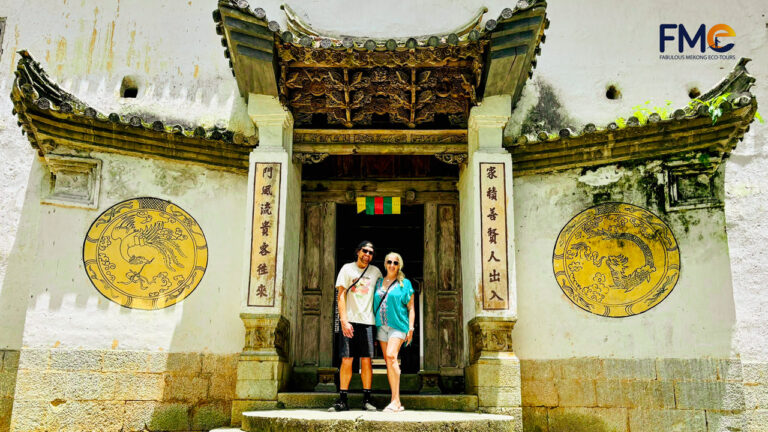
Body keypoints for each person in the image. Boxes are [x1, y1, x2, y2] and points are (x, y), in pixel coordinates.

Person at [329, 240, 383, 412]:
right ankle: (343, 399)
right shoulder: (347, 269)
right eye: (365, 251)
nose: (367, 255)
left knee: (366, 361)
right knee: (347, 359)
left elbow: (382, 295)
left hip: (368, 321)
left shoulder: (376, 272)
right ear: (358, 251)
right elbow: (341, 296)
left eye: (371, 253)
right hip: (350, 320)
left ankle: (367, 399)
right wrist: (344, 321)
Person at [373, 252, 415, 412]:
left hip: (398, 326)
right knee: (389, 362)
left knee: (391, 356)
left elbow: (411, 307)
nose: (392, 265)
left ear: (400, 265)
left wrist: (410, 327)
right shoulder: (378, 283)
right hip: (381, 326)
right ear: (385, 264)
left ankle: (396, 401)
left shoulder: (405, 283)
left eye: (395, 263)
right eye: (389, 262)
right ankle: (395, 400)